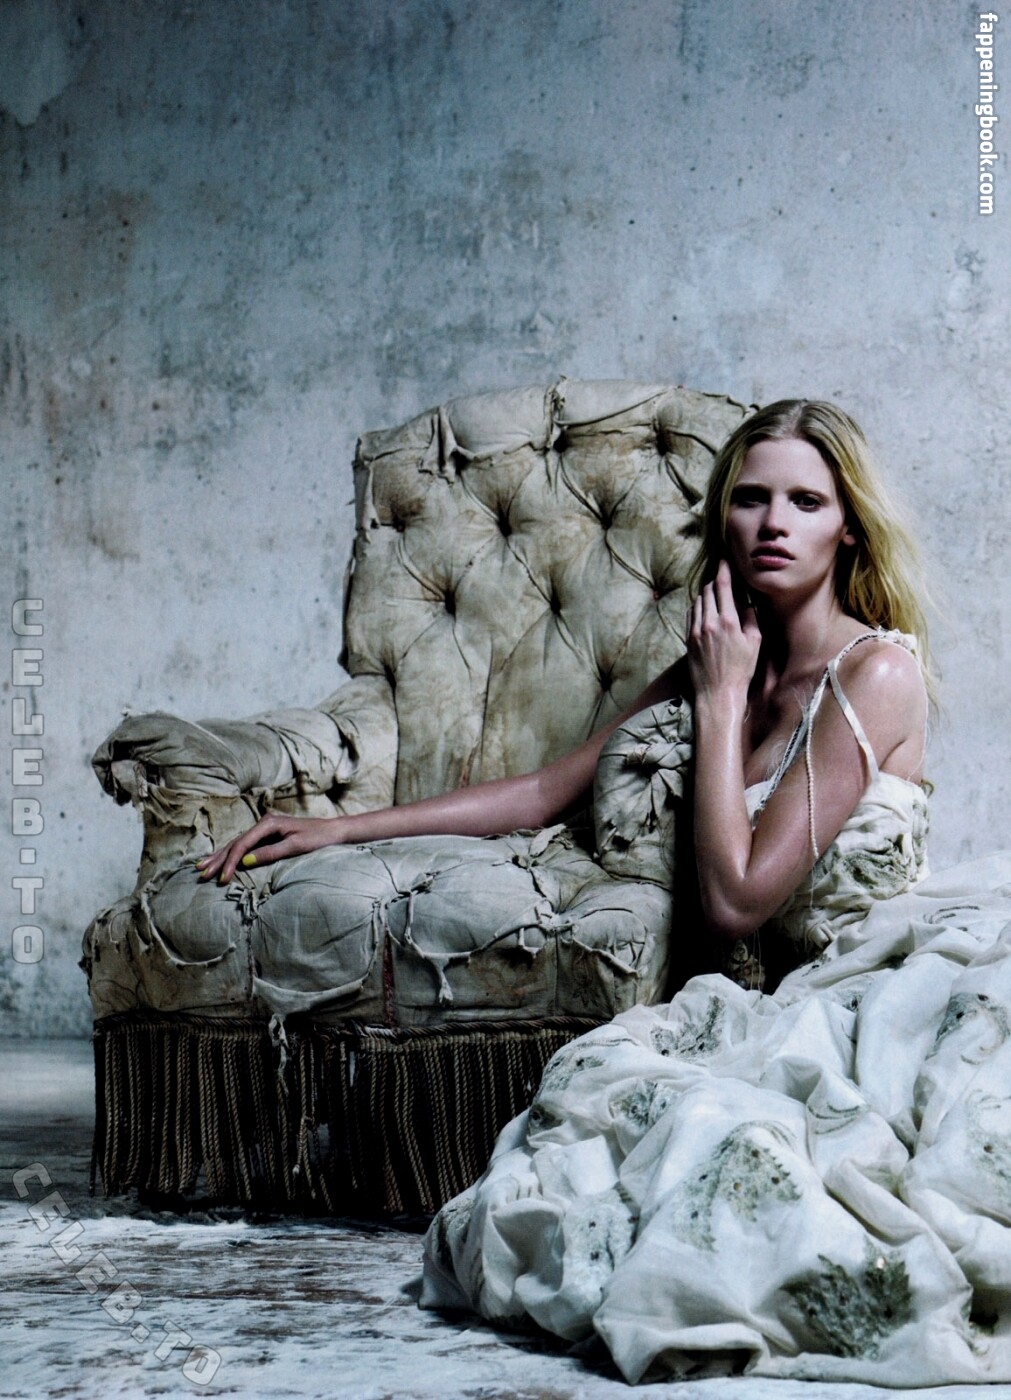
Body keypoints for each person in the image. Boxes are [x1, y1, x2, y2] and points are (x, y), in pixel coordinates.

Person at [200, 400, 1011, 1384]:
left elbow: (738, 900)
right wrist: (341, 826)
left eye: (805, 501)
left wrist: (719, 701)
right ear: (722, 518)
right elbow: (549, 788)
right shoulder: (725, 656)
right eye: (750, 498)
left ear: (848, 526)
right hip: (775, 992)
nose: (773, 523)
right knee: (596, 1114)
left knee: (751, 1171)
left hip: (867, 982)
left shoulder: (873, 672)